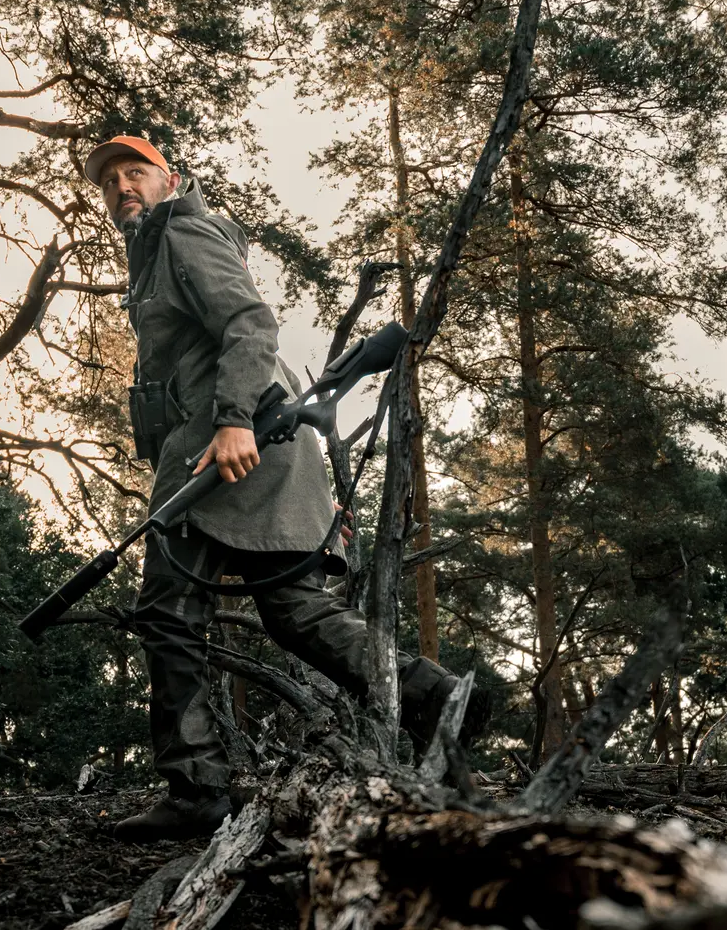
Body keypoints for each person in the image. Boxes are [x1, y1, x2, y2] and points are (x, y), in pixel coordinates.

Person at [85, 134, 464, 842]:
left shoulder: (182, 233)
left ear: (170, 178)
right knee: (293, 613)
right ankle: (441, 699)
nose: (122, 186)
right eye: (109, 181)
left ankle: (197, 788)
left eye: (136, 172)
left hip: (228, 446)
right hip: (254, 447)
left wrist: (231, 424)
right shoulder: (153, 252)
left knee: (168, 613)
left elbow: (250, 325)